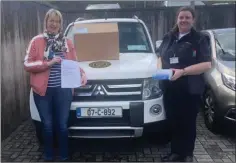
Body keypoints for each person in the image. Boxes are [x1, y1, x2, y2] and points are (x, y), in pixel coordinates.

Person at [23, 9, 87, 161]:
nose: (54, 24)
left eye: (57, 21)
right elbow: (27, 64)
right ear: (46, 22)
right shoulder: (37, 41)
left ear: (60, 24)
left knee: (62, 125)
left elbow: (73, 63)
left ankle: (64, 156)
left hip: (63, 91)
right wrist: (47, 63)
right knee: (47, 125)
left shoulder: (67, 42)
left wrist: (82, 73)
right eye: (51, 20)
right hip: (42, 92)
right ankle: (49, 155)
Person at [157, 6, 211, 162]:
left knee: (188, 123)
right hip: (170, 88)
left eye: (187, 17)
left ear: (193, 19)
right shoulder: (169, 37)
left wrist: (183, 71)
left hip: (190, 88)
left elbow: (206, 64)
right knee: (174, 121)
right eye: (181, 17)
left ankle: (187, 154)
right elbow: (159, 56)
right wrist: (159, 70)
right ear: (177, 19)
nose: (184, 20)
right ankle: (176, 152)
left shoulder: (199, 39)